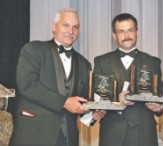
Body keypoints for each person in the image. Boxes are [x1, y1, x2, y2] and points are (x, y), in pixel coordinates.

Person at [10, 8, 106, 146]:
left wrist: (92, 116)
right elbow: (27, 85)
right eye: (66, 25)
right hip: (33, 134)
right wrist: (64, 102)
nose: (71, 31)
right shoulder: (33, 50)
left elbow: (80, 102)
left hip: (68, 138)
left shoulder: (84, 64)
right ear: (54, 27)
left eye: (75, 27)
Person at [93, 13, 163, 146]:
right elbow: (97, 98)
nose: (126, 35)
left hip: (145, 133)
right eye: (121, 31)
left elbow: (161, 94)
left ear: (137, 32)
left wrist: (159, 107)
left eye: (130, 30)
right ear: (114, 36)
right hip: (112, 133)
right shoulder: (101, 62)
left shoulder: (153, 62)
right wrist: (116, 101)